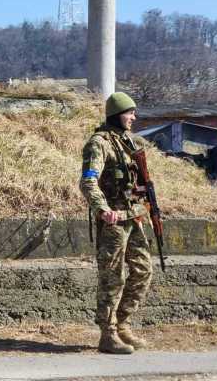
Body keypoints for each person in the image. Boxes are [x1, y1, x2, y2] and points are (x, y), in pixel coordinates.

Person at [79, 92, 154, 354]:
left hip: (133, 217)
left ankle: (123, 324)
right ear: (116, 114)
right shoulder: (99, 144)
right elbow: (88, 182)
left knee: (144, 270)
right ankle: (108, 333)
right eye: (129, 112)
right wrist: (103, 210)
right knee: (112, 277)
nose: (133, 117)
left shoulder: (127, 142)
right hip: (113, 221)